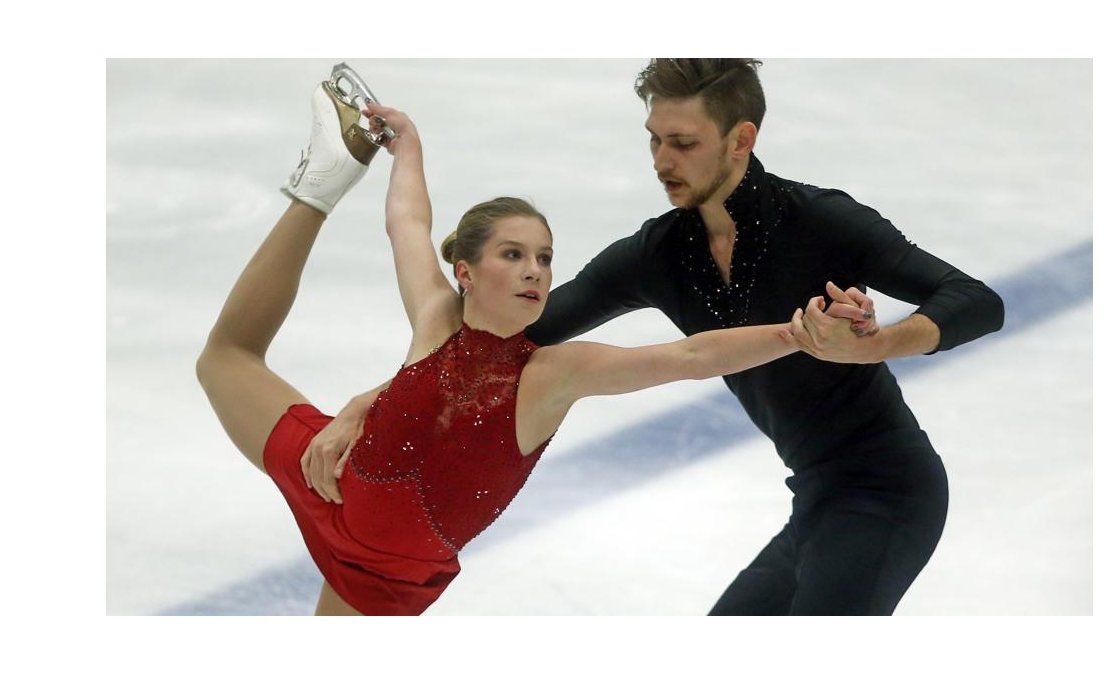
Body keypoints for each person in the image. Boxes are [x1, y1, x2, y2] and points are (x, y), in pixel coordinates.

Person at [194, 66, 868, 615]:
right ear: (467, 271)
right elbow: (409, 220)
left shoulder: (550, 374)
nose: (536, 271)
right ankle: (318, 186)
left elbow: (690, 357)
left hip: (385, 570)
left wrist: (796, 332)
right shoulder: (436, 319)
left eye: (544, 258)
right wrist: (409, 147)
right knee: (224, 357)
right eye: (514, 255)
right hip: (330, 478)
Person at [521, 59, 1006, 615]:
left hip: (888, 493)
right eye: (654, 140)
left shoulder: (820, 222)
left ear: (740, 139)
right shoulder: (660, 255)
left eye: (682, 143)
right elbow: (528, 331)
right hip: (815, 501)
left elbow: (976, 301)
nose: (661, 161)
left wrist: (875, 346)